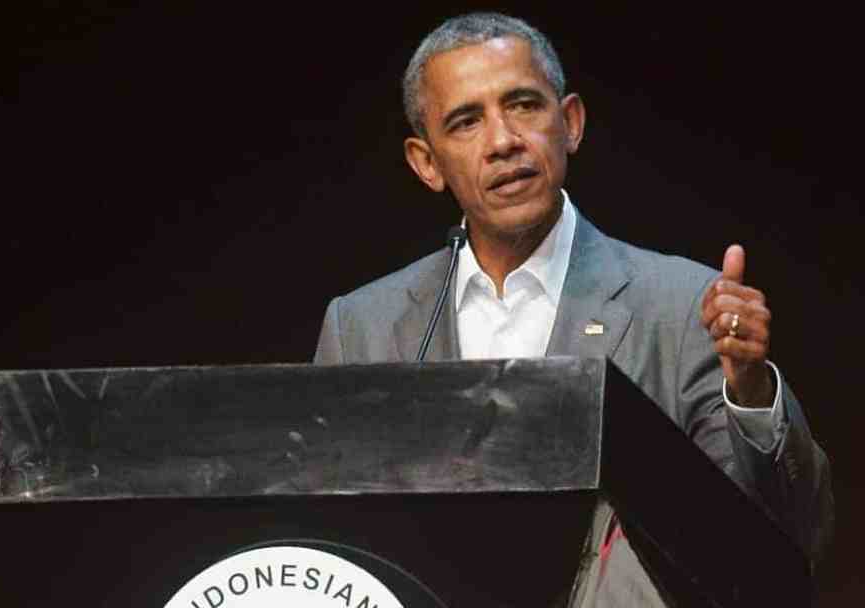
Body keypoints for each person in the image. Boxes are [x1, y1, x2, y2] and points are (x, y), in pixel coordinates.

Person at [312, 12, 832, 565]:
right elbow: (323, 543)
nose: (503, 141)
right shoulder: (361, 327)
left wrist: (750, 396)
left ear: (572, 123)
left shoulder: (682, 308)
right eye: (466, 121)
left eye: (523, 105)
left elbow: (791, 535)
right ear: (426, 163)